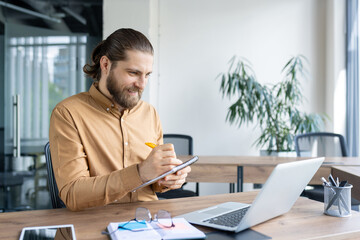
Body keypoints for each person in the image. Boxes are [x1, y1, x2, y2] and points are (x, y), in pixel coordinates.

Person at [49, 28, 191, 211]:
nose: (142, 84)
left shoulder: (150, 113)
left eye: (147, 75)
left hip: (149, 222)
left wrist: (168, 178)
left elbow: (155, 184)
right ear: (106, 64)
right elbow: (73, 194)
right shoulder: (68, 113)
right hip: (96, 226)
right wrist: (139, 173)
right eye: (133, 73)